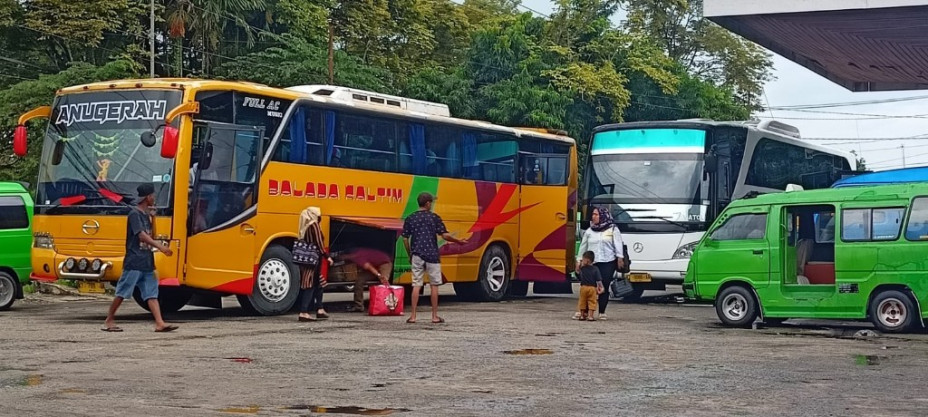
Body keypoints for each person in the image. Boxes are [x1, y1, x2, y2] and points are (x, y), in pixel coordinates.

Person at [102, 183, 178, 333]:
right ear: (147, 197)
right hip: (135, 261)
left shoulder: (145, 215)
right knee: (122, 292)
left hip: (146, 261)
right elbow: (142, 236)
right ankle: (109, 319)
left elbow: (151, 234)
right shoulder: (134, 214)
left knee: (151, 294)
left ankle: (159, 323)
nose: (154, 198)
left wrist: (153, 219)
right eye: (152, 196)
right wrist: (161, 247)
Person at [402, 192, 468, 324]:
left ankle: (413, 316)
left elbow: (405, 238)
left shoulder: (410, 218)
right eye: (431, 202)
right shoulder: (434, 218)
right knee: (434, 285)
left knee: (416, 284)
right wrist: (458, 241)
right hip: (432, 255)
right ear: (427, 204)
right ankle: (434, 316)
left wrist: (410, 253)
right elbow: (445, 236)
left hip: (417, 254)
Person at [575, 206, 625, 321]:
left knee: (604, 286)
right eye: (593, 214)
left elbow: (618, 244)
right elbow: (583, 246)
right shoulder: (589, 230)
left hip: (608, 262)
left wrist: (620, 258)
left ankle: (602, 311)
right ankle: (585, 312)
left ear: (603, 216)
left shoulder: (612, 229)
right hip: (592, 263)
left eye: (596, 214)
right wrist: (579, 260)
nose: (594, 217)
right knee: (588, 287)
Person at [297, 207, 333, 322]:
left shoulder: (305, 226)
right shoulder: (314, 225)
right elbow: (319, 243)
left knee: (319, 284)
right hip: (313, 261)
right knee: (311, 285)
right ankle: (304, 312)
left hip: (307, 260)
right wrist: (327, 257)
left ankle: (320, 309)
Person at [342, 247, 393, 312]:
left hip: (384, 263)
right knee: (359, 281)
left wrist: (379, 275)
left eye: (343, 256)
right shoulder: (357, 253)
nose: (342, 257)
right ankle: (359, 306)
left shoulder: (358, 256)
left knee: (384, 281)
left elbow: (369, 266)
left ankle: (388, 304)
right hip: (374, 264)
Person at [576, 251, 604, 321]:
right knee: (592, 301)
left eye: (583, 259)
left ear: (587, 260)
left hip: (583, 287)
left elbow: (577, 272)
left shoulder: (582, 268)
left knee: (582, 301)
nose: (581, 261)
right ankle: (590, 316)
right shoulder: (595, 269)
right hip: (592, 288)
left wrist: (578, 265)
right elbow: (598, 280)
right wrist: (601, 287)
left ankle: (582, 315)